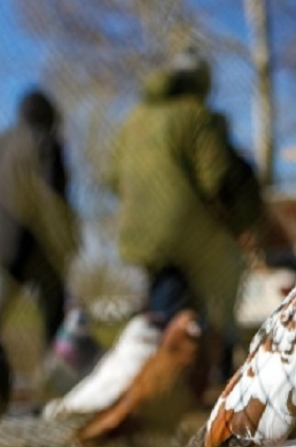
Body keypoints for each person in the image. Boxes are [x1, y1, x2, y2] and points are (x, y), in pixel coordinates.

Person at [107, 49, 261, 387]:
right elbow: (215, 177)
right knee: (203, 304)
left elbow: (109, 175)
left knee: (164, 302)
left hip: (138, 230)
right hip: (185, 230)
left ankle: (161, 379)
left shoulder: (135, 118)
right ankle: (184, 381)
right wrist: (236, 224)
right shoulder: (196, 115)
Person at [0, 89, 81, 343]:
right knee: (52, 303)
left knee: (4, 301)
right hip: (38, 241)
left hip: (4, 238)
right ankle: (52, 365)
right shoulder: (46, 141)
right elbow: (53, 193)